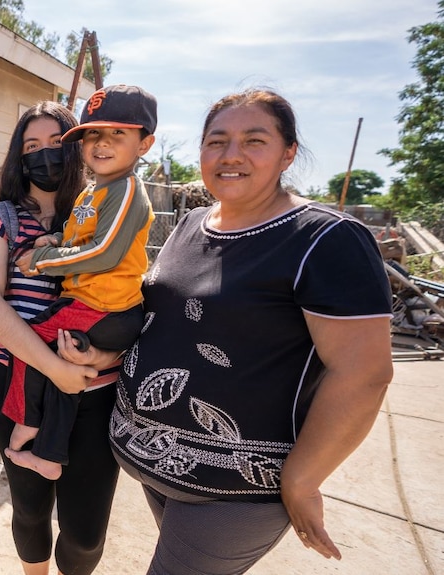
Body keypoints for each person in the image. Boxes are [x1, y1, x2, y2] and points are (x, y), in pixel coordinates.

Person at [110, 89, 394, 574]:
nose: (231, 155)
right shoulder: (193, 223)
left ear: (288, 153)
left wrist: (302, 480)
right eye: (216, 141)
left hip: (233, 493)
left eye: (254, 141)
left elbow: (363, 373)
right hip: (153, 464)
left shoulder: (324, 239)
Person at [0, 100, 124, 575]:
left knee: (85, 533)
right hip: (18, 385)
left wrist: (106, 352)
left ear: (76, 148)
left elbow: (129, 296)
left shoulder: (105, 214)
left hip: (95, 389)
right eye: (31, 147)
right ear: (19, 159)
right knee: (31, 508)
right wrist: (53, 366)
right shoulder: (1, 219)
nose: (44, 156)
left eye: (56, 144)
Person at [5, 85, 156, 480]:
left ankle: (29, 422)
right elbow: (80, 240)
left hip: (105, 307)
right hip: (89, 305)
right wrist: (54, 240)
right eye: (93, 134)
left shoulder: (125, 190)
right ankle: (50, 454)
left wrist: (38, 261)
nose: (101, 144)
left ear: (145, 144)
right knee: (61, 361)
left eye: (117, 134)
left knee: (31, 340)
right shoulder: (95, 191)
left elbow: (103, 253)